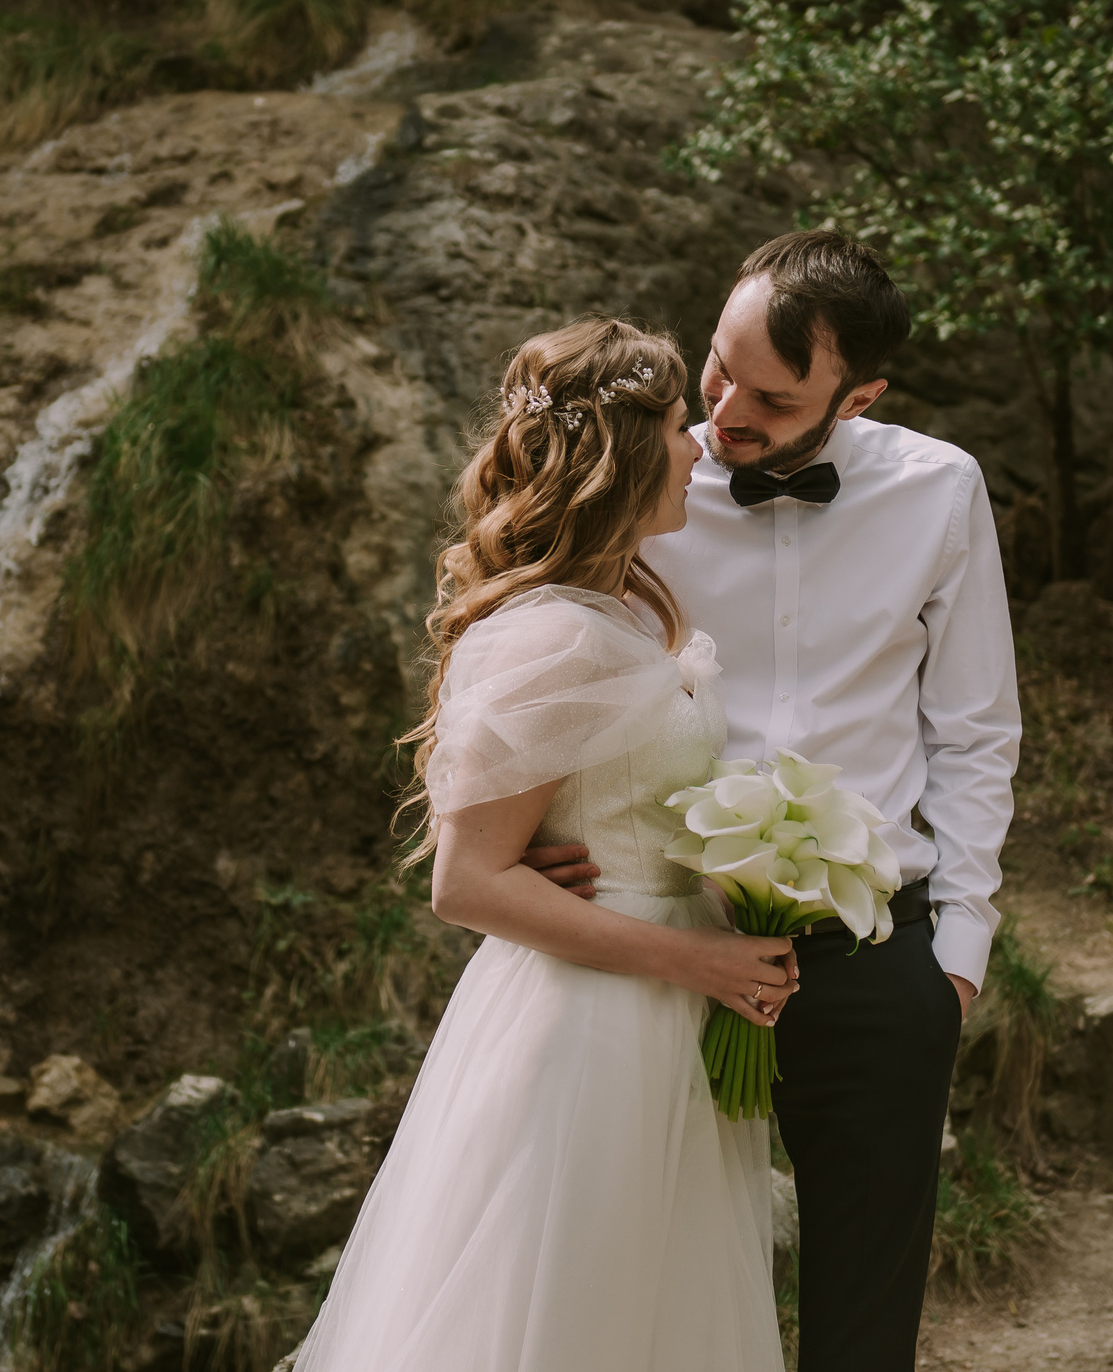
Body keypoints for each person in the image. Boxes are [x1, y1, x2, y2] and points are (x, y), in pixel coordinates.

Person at [555, 229, 1023, 1370]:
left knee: (863, 1317)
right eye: (717, 365)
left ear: (856, 394)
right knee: (630, 1283)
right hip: (664, 939)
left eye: (770, 393)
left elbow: (973, 730)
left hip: (874, 954)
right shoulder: (646, 476)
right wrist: (543, 840)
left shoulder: (940, 490)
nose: (722, 412)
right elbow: (536, 651)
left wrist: (957, 950)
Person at [290, 317, 794, 1372]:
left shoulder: (619, 607)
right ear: (622, 452)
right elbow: (466, 880)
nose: (698, 439)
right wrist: (696, 955)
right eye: (674, 423)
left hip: (661, 1017)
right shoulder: (553, 630)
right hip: (589, 1030)